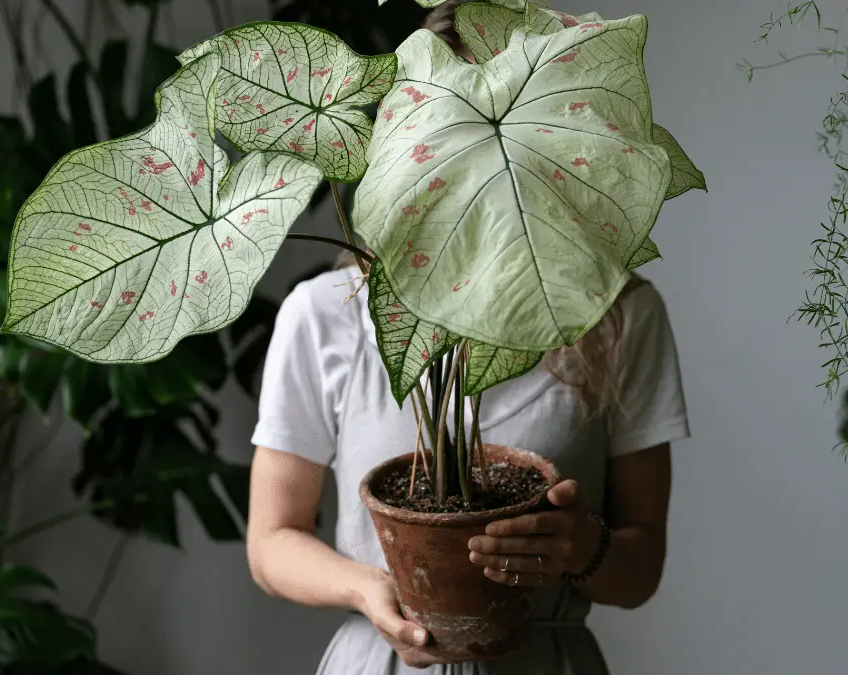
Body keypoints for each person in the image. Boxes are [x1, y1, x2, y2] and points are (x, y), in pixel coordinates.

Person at [246, 3, 690, 673]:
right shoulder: (327, 312)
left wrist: (582, 546)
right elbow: (271, 540)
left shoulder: (618, 314)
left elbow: (641, 567)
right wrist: (370, 589)